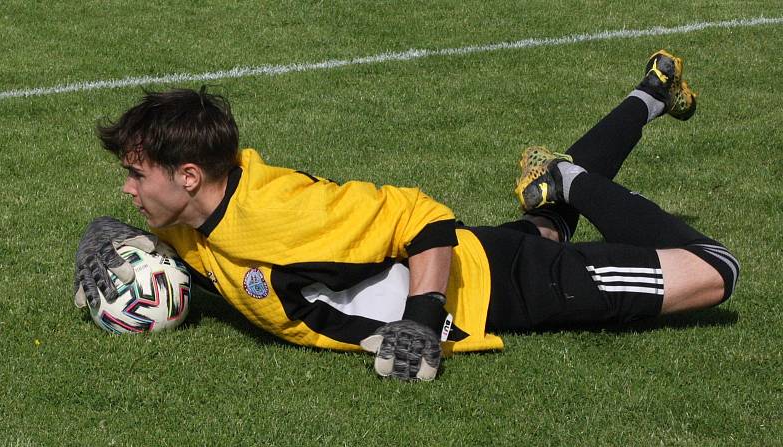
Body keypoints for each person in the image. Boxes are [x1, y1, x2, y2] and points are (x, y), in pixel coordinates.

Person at [74, 50, 739, 381]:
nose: (128, 190)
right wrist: (117, 251)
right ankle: (653, 91)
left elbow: (424, 219)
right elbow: (234, 280)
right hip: (482, 255)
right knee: (552, 219)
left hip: (508, 284)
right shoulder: (195, 223)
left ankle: (565, 174)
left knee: (717, 270)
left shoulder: (284, 215)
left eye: (136, 174)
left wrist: (421, 320)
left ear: (189, 177)